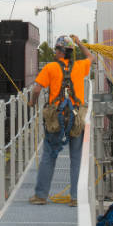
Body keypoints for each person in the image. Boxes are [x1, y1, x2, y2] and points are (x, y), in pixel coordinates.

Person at [28, 34, 93, 207]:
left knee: (49, 155)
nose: (55, 52)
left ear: (60, 51)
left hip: (56, 119)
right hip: (76, 118)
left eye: (56, 49)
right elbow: (90, 57)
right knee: (76, 157)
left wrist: (32, 102)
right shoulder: (79, 66)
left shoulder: (50, 67)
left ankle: (41, 196)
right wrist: (79, 42)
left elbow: (36, 89)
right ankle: (75, 198)